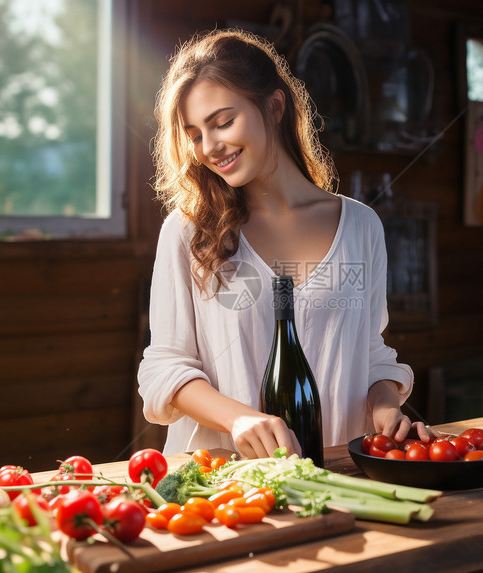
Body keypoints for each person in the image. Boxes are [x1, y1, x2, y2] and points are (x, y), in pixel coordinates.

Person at [138, 28, 428, 459]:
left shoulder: (361, 226)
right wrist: (240, 419)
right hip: (228, 484)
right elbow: (165, 368)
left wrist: (385, 407)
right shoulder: (188, 231)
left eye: (222, 122)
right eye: (195, 133)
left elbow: (370, 352)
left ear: (274, 106)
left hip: (338, 472)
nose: (209, 147)